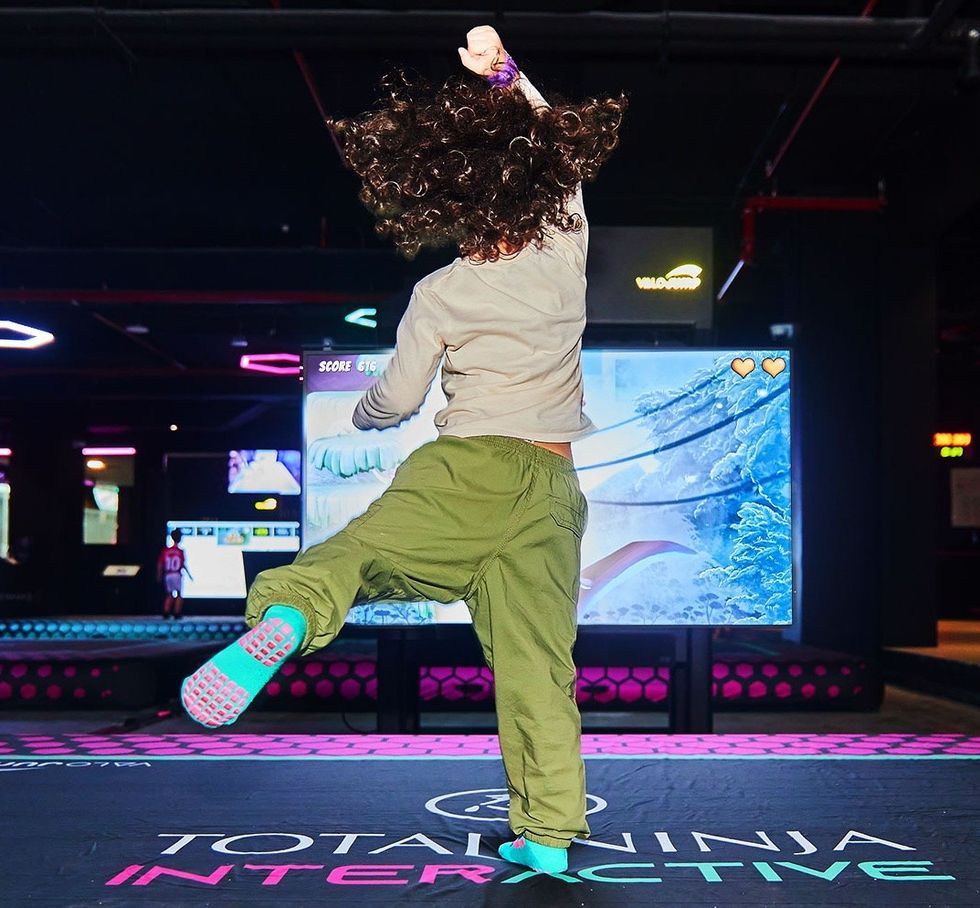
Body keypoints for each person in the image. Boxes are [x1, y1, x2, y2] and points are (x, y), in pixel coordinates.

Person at [180, 25, 627, 876]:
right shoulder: (565, 248)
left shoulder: (442, 290)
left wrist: (367, 419)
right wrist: (504, 73)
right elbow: (556, 143)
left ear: (453, 207)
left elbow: (400, 395)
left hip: (470, 469)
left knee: (357, 556)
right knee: (539, 667)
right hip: (555, 488)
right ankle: (548, 839)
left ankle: (285, 618)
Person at [157, 528, 192, 620]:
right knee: (179, 595)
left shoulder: (166, 551)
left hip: (168, 574)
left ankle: (166, 612)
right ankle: (177, 613)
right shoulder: (180, 551)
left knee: (169, 594)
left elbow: (160, 564)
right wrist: (189, 575)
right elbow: (183, 564)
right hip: (176, 574)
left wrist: (159, 575)